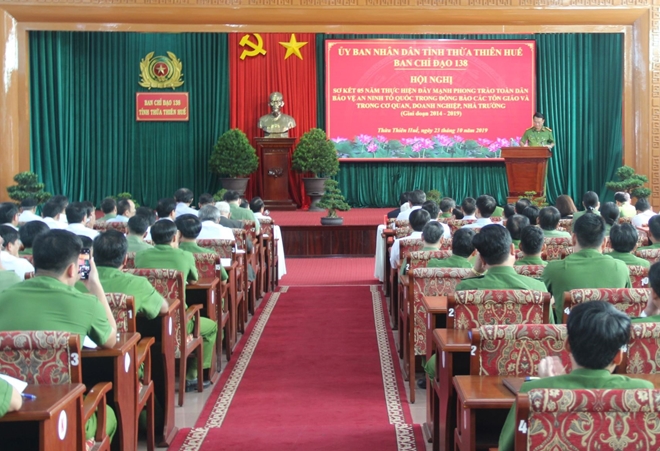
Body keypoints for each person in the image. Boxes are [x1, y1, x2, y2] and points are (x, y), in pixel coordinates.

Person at [0, 229, 118, 442]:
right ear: (73, 269)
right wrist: (95, 286)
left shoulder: (3, 297)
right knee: (107, 414)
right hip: (65, 417)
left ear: (34, 260)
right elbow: (111, 340)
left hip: (8, 413)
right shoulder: (86, 303)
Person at [497, 301, 653, 451]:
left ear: (567, 345)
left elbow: (508, 446)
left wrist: (548, 386)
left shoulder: (532, 392)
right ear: (619, 356)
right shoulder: (644, 392)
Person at [424, 224, 548, 380]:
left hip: (471, 365)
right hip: (526, 367)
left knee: (432, 364)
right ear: (512, 249)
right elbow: (548, 333)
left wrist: (475, 271)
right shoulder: (538, 288)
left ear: (481, 259)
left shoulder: (466, 288)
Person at [134, 220, 217, 389]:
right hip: (179, 323)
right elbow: (194, 278)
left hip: (145, 322)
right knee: (211, 327)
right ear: (175, 237)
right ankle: (193, 375)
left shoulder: (141, 256)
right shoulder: (184, 256)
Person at [543, 213, 631, 320]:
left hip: (569, 334)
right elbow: (628, 307)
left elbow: (541, 304)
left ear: (574, 238)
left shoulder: (553, 269)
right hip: (611, 333)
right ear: (604, 242)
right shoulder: (621, 268)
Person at [82, 230, 168, 319]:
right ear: (125, 260)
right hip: (123, 333)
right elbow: (164, 309)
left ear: (93, 257)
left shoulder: (76, 281)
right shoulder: (139, 284)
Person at [175, 214, 229, 282]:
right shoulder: (211, 255)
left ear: (177, 233)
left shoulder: (173, 255)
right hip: (206, 292)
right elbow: (223, 281)